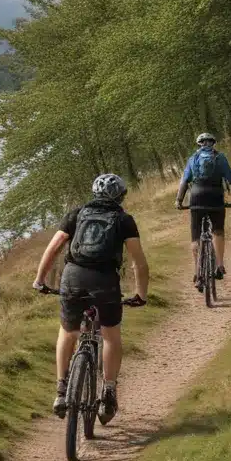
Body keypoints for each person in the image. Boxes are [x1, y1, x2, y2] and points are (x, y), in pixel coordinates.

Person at [32, 173, 149, 425]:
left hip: (73, 277)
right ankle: (108, 391)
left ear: (94, 193)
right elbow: (139, 262)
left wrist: (40, 280)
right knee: (110, 336)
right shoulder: (124, 220)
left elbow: (53, 248)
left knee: (68, 331)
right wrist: (141, 294)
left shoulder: (76, 214)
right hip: (105, 281)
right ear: (121, 196)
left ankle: (61, 390)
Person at [176, 132, 231, 289]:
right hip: (215, 197)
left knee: (195, 236)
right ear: (213, 143)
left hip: (197, 197)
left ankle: (198, 273)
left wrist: (178, 200)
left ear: (199, 144)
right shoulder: (220, 158)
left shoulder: (193, 159)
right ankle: (219, 265)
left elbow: (184, 182)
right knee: (218, 231)